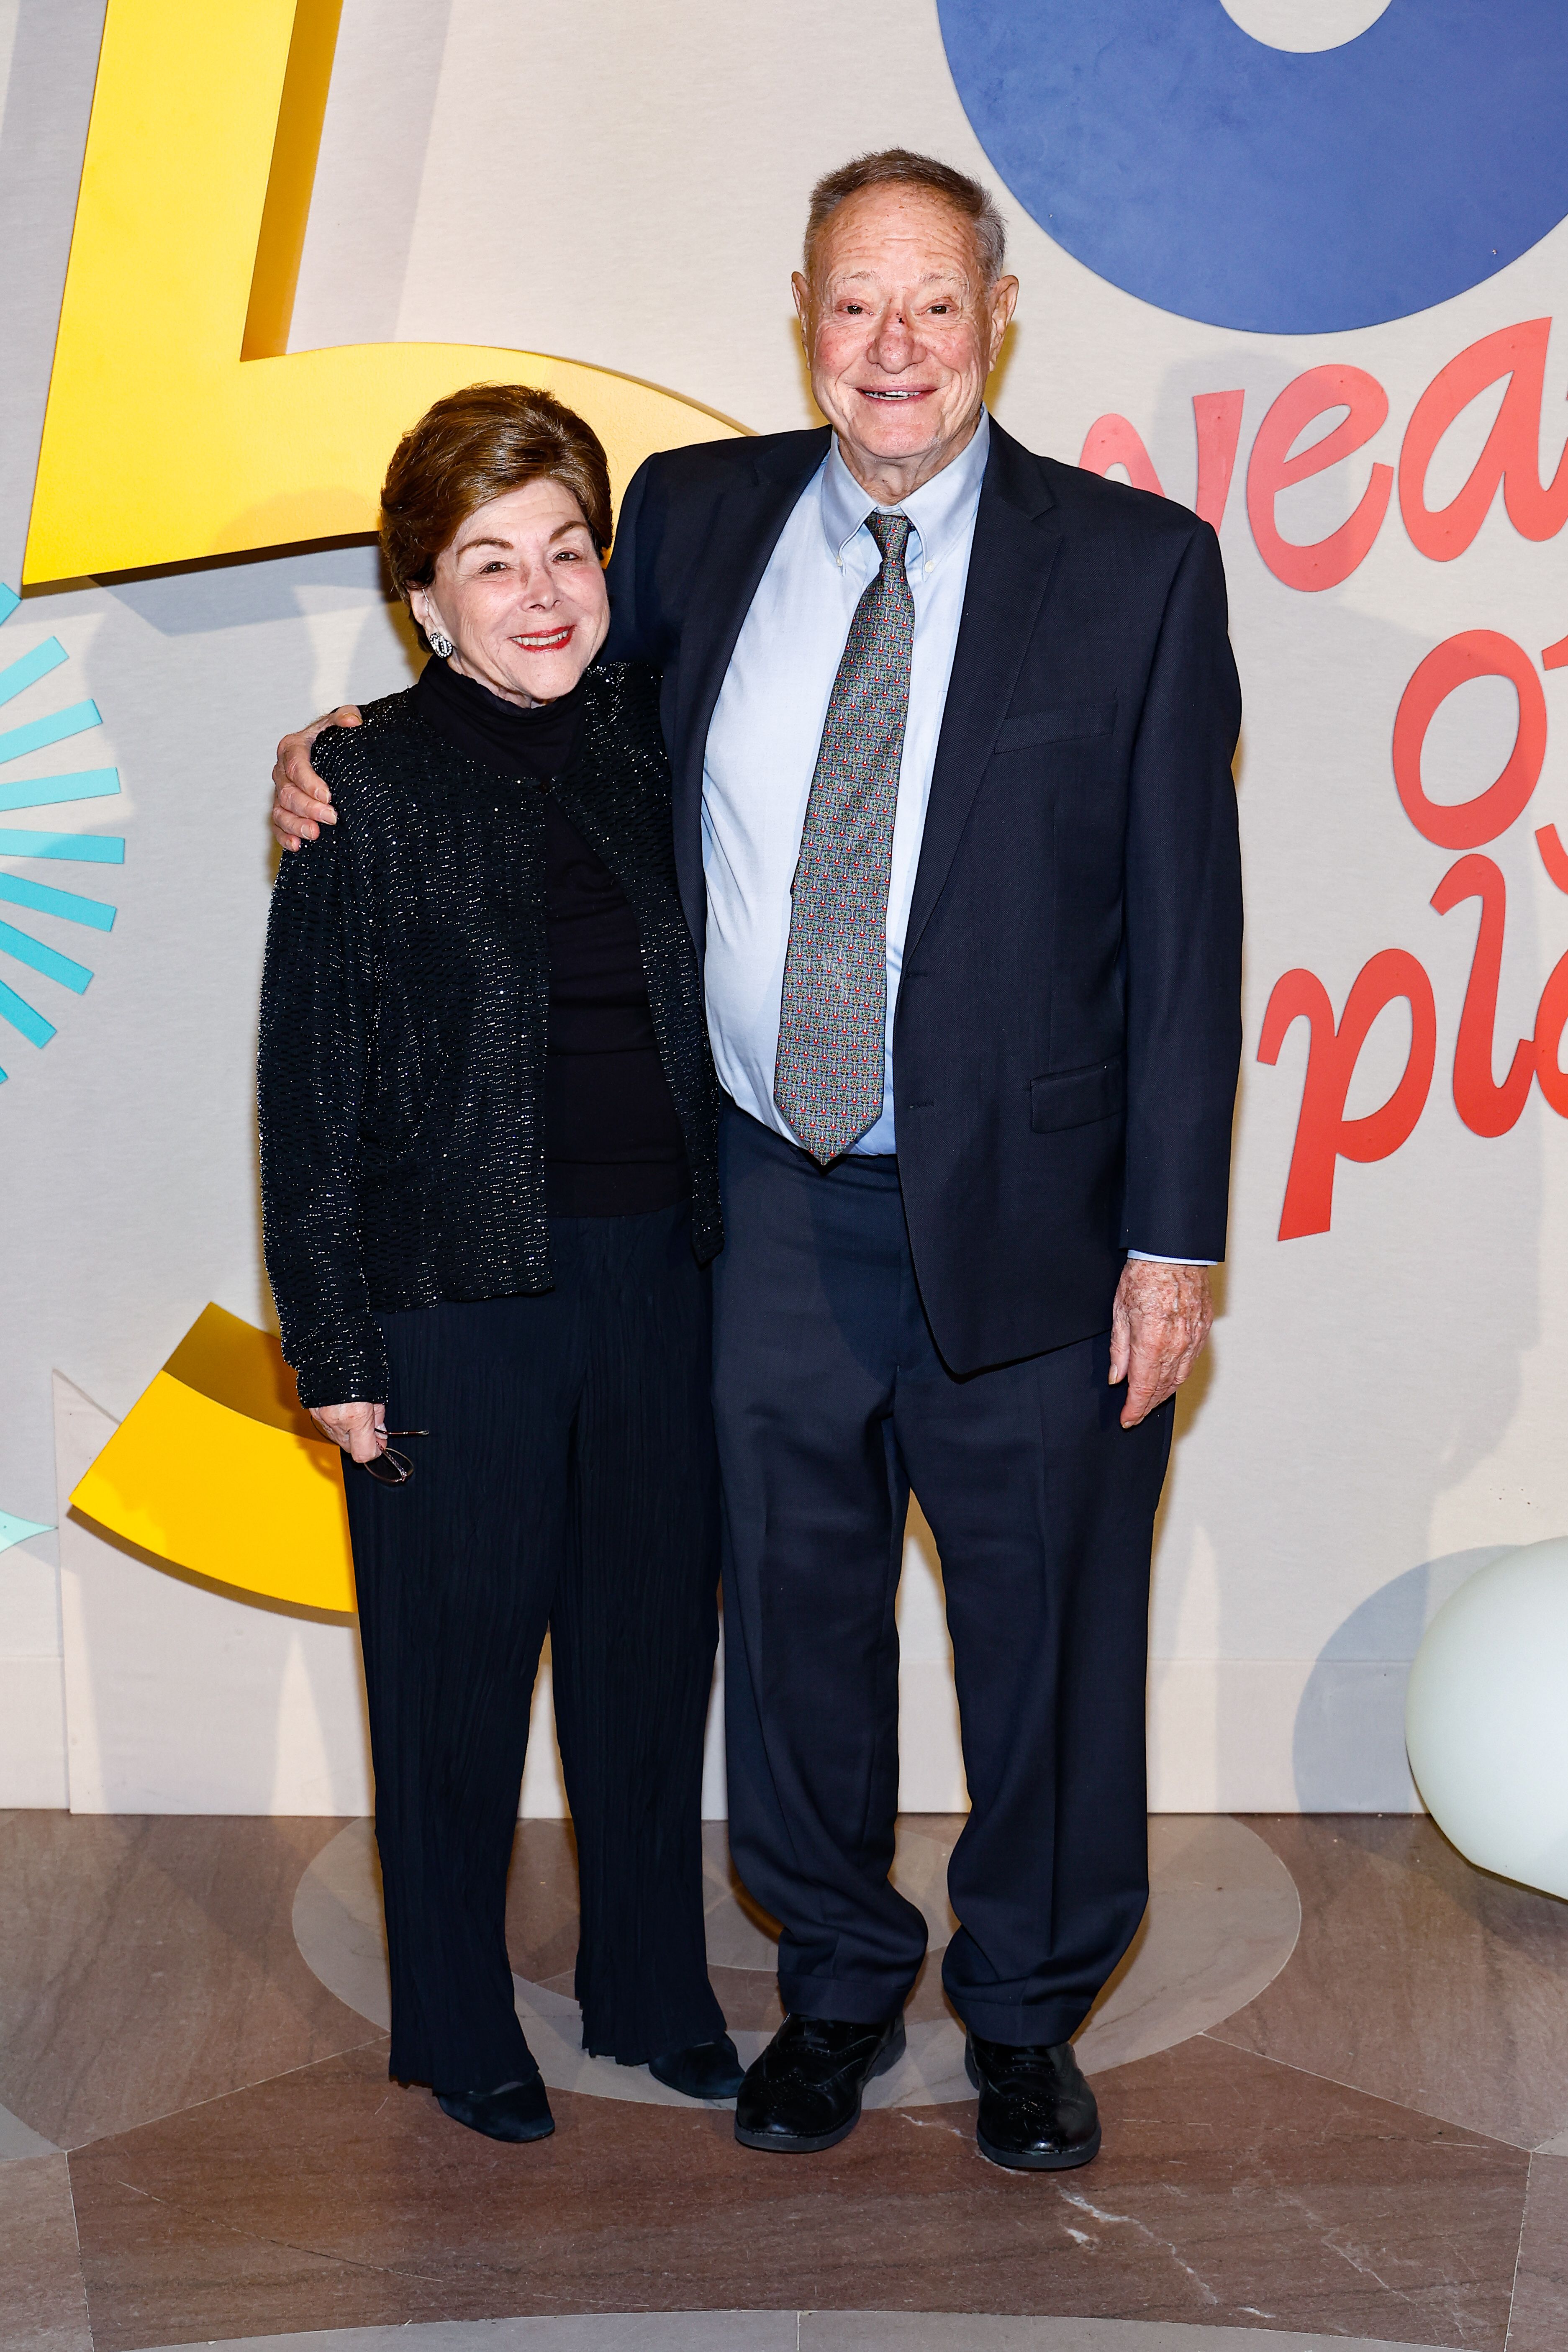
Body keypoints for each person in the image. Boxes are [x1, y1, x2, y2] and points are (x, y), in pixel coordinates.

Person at [272, 149, 1242, 2175]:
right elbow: (522, 692)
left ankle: (1029, 2015)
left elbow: (1187, 927)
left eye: (933, 306)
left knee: (1049, 1630)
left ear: (997, 320)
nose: (892, 348)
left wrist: (1174, 1242)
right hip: (769, 1212)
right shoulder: (699, 524)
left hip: (1042, 1230)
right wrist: (337, 747)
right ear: (802, 312)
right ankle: (831, 1992)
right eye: (852, 305)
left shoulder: (1139, 569)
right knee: (796, 1623)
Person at [258, 383, 745, 2147]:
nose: (539, 593)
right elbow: (303, 1097)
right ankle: (454, 2017)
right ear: (422, 599)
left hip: (666, 1287)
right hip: (450, 1307)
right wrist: (336, 1346)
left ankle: (652, 1986)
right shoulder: (364, 786)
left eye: (567, 550)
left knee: (640, 1664)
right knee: (451, 1682)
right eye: (490, 561)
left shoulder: (663, 734)